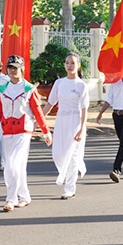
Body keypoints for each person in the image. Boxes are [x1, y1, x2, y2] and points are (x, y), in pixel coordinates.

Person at [0, 55, 52, 210]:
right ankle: (24, 196)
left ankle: (10, 199)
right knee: (14, 166)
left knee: (13, 164)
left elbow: (38, 112)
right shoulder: (2, 89)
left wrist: (46, 132)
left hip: (23, 131)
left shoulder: (29, 89)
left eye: (16, 68)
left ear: (22, 69)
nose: (13, 71)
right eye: (10, 68)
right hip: (7, 132)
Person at [43, 52, 89, 200]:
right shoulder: (59, 83)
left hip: (75, 121)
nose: (69, 65)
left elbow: (84, 109)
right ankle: (70, 171)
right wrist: (39, 119)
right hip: (61, 121)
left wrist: (82, 129)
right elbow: (50, 103)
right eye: (67, 62)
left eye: (72, 63)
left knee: (73, 155)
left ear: (78, 65)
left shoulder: (81, 85)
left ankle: (70, 188)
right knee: (59, 154)